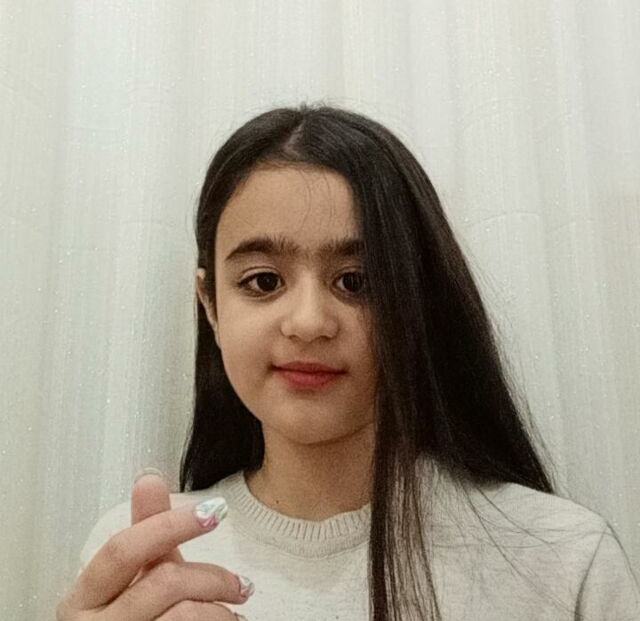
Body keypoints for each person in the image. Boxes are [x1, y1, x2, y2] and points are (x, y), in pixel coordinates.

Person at [57, 102, 639, 621]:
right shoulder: (139, 560)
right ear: (210, 304)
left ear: (418, 302)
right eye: (263, 281)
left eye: (357, 282)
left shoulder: (564, 559)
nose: (309, 321)